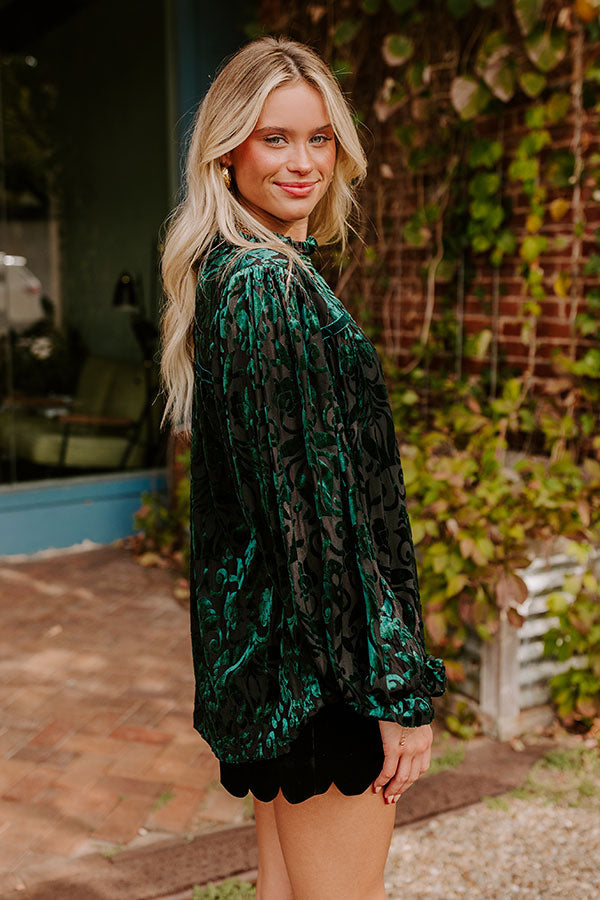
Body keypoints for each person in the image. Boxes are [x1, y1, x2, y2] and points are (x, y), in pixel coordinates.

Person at [159, 34, 447, 900]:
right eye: (274, 138)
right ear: (227, 150)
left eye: (319, 138)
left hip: (276, 669)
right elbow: (319, 523)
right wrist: (396, 689)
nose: (303, 162)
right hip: (324, 678)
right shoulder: (267, 288)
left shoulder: (240, 276)